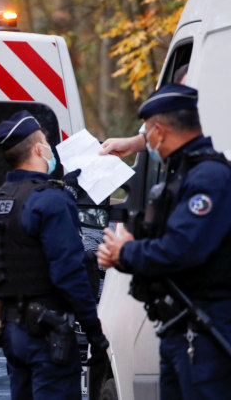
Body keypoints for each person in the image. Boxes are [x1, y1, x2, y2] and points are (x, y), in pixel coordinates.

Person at [97, 84, 231, 398]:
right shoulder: (185, 173)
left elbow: (182, 249)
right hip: (179, 330)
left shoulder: (209, 177)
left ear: (159, 130)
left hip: (205, 331)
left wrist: (126, 251)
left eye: (146, 131)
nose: (146, 139)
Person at [0, 110, 109, 400]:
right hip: (47, 335)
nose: (51, 149)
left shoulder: (0, 200)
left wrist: (66, 193)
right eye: (47, 142)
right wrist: (94, 332)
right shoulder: (49, 201)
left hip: (13, 332)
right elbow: (70, 273)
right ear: (39, 149)